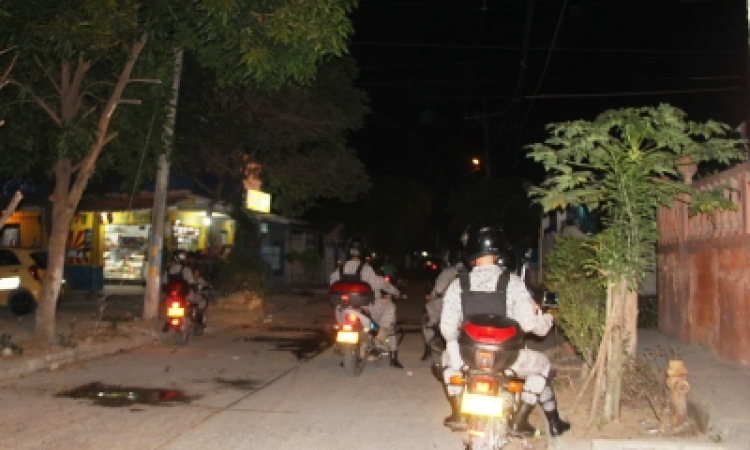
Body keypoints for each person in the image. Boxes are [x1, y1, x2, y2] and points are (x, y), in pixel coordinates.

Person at [439, 225, 570, 437]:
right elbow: (529, 325)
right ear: (499, 249)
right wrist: (546, 319)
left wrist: (455, 350)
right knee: (543, 366)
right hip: (508, 361)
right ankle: (520, 420)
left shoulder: (458, 284)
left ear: (470, 250)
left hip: (468, 359)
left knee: (446, 360)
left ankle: (458, 412)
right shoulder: (513, 282)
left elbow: (446, 329)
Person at [330, 236, 403, 368]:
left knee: (340, 326)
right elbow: (379, 284)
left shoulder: (339, 269)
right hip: (366, 309)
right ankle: (393, 353)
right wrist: (395, 292)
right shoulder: (366, 269)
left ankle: (346, 352)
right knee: (390, 307)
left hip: (342, 310)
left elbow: (332, 284)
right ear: (363, 252)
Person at [421, 250, 464, 361]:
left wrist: (432, 295)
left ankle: (428, 348)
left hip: (449, 303)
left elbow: (439, 290)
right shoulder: (470, 271)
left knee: (429, 310)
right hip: (468, 305)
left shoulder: (449, 272)